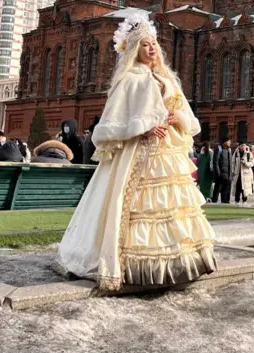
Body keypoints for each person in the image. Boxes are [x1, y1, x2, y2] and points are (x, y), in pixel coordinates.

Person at [55, 13, 217, 291]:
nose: (152, 48)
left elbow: (189, 119)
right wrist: (142, 128)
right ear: (133, 50)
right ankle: (137, 267)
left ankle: (177, 264)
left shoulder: (167, 79)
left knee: (171, 208)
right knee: (136, 208)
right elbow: (105, 128)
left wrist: (174, 116)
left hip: (166, 155)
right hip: (138, 156)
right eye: (145, 44)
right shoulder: (129, 80)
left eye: (154, 43)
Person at [212, 137, 233, 203]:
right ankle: (214, 202)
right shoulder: (219, 149)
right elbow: (215, 162)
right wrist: (218, 173)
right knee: (218, 188)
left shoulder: (229, 150)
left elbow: (230, 162)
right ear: (224, 142)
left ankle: (226, 202)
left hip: (228, 173)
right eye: (228, 141)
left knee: (227, 188)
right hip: (221, 173)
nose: (230, 143)